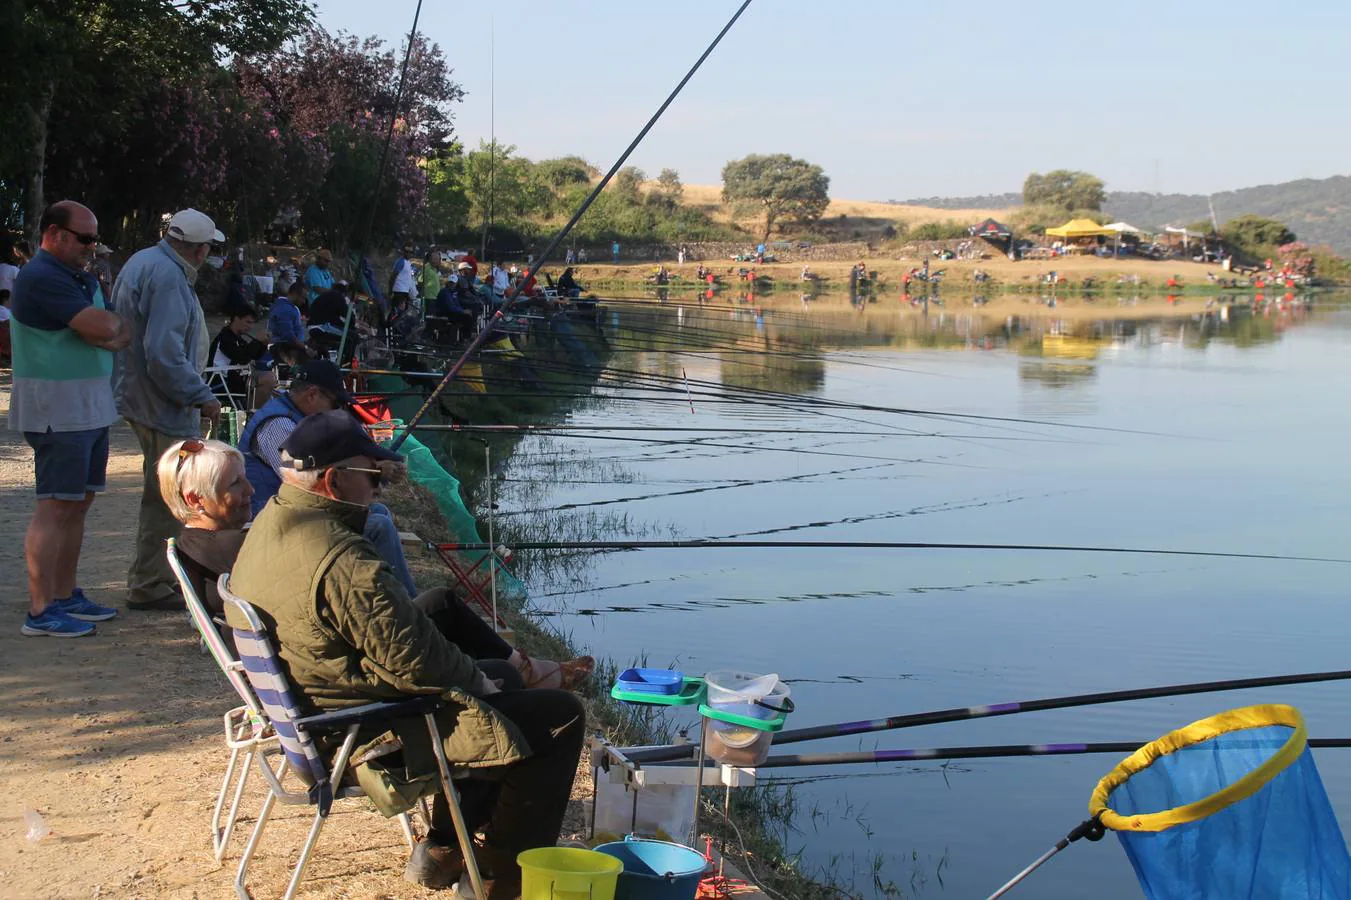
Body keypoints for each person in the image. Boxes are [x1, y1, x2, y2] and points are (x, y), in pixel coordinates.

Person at [225, 411, 587, 895]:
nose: (381, 488)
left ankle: (442, 849)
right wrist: (478, 683)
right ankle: (500, 880)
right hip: (361, 732)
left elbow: (397, 644)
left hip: (324, 706)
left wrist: (484, 677)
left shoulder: (274, 521)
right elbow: (418, 664)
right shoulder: (342, 561)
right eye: (372, 476)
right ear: (333, 480)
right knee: (560, 718)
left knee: (499, 674)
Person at [160, 436, 590, 689]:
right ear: (197, 499)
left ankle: (525, 668)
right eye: (236, 485)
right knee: (440, 607)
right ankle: (526, 672)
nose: (252, 491)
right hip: (315, 665)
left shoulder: (207, 543)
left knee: (438, 610)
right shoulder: (221, 547)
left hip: (296, 654)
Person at [12, 200, 129, 636]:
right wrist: (106, 330)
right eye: (86, 239)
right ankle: (41, 611)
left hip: (89, 407)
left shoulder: (77, 276)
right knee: (56, 504)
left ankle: (64, 595)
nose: (92, 247)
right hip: (56, 410)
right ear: (56, 234)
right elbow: (104, 328)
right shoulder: (41, 276)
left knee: (79, 502)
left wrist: (107, 329)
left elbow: (119, 327)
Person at [111, 208, 224, 610]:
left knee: (164, 492)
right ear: (197, 249)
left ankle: (156, 576)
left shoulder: (145, 261)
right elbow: (164, 355)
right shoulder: (168, 277)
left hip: (143, 394)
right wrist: (200, 395)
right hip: (161, 401)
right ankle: (150, 584)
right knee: (167, 495)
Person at [268, 281, 306, 345]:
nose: (304, 301)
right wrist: (305, 348)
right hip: (283, 348)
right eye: (303, 297)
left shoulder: (290, 307)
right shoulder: (284, 309)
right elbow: (288, 336)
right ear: (294, 294)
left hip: (292, 345)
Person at [390, 243, 416, 310]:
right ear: (403, 251)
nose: (408, 254)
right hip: (399, 290)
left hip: (405, 291)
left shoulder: (408, 262)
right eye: (406, 251)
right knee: (398, 311)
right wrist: (390, 290)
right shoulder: (401, 261)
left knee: (403, 311)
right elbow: (393, 276)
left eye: (410, 252)